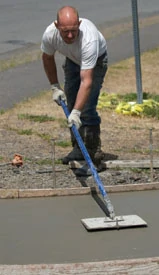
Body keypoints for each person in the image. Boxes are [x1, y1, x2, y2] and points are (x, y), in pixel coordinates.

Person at [41, 6, 108, 176]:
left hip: (96, 61)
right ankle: (79, 149)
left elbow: (86, 81)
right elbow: (47, 57)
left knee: (86, 106)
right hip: (72, 59)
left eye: (73, 30)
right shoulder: (50, 34)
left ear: (79, 24)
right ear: (57, 27)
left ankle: (93, 155)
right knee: (70, 102)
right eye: (65, 32)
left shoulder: (89, 40)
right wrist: (54, 86)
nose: (70, 36)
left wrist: (77, 112)